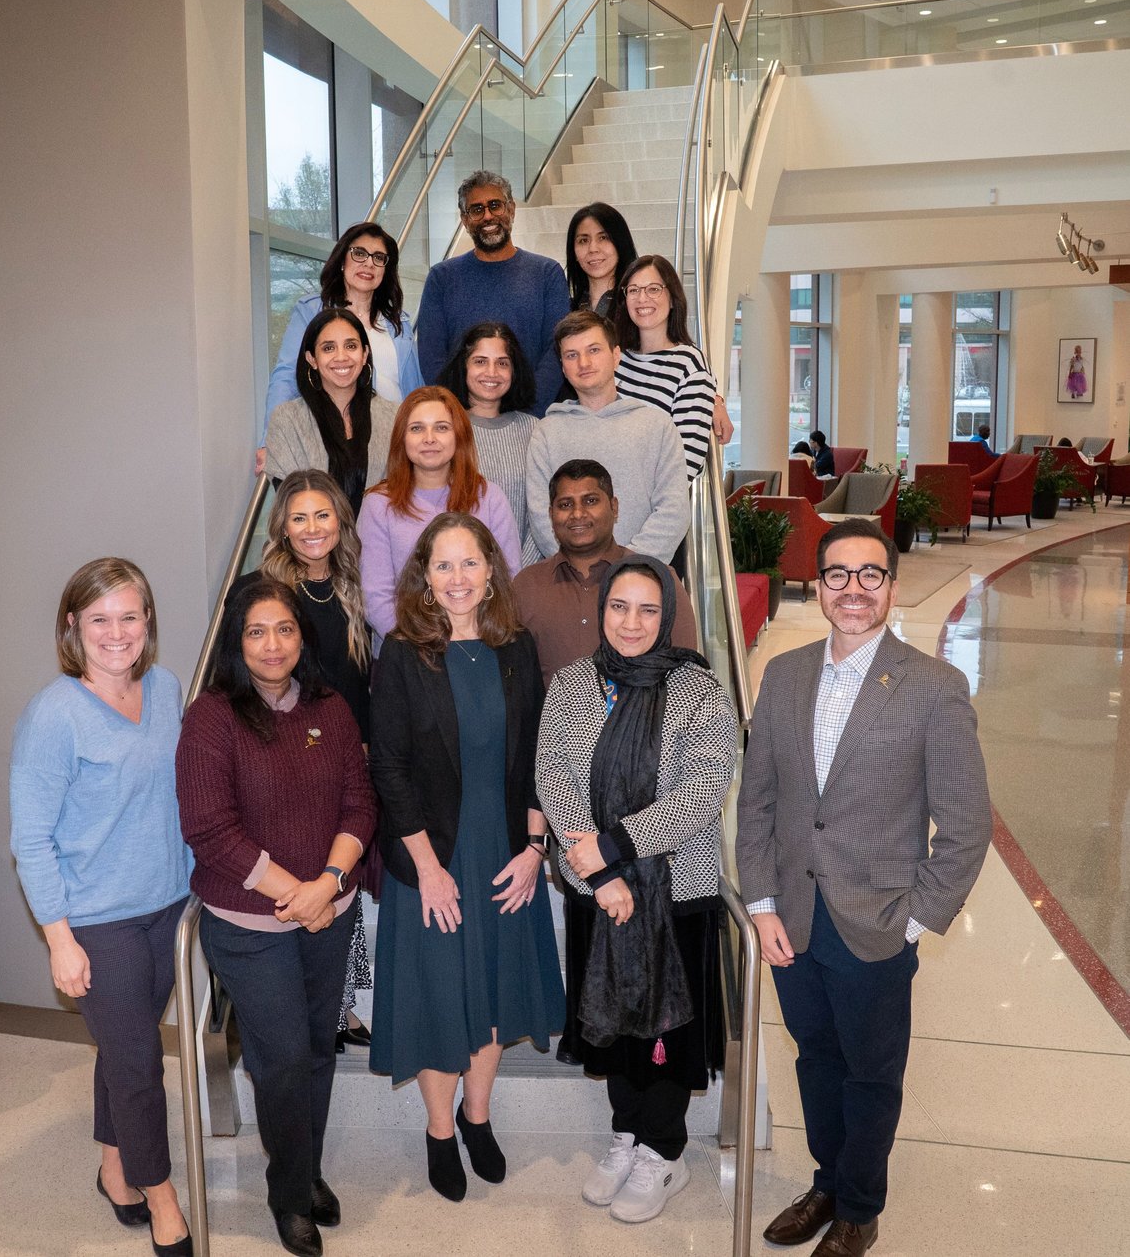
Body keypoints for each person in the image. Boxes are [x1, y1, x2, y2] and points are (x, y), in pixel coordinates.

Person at [736, 518, 992, 1257]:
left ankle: (859, 1205)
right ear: (816, 587)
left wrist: (915, 921)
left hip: (876, 926)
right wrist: (760, 904)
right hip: (792, 920)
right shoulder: (782, 676)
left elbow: (967, 827)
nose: (854, 590)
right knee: (815, 1059)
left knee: (872, 1073)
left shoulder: (934, 688)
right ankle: (826, 1181)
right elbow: (757, 804)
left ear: (892, 586)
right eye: (838, 576)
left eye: (869, 575)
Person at [177, 574, 377, 1257]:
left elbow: (360, 805)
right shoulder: (210, 717)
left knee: (319, 1049)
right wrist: (298, 891)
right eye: (256, 631)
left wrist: (328, 883)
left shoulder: (331, 707)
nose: (271, 644)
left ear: (302, 636)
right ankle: (289, 1196)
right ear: (237, 640)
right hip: (249, 924)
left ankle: (304, 1167)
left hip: (330, 910)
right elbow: (209, 828)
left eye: (284, 629)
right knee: (284, 1057)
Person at [368, 513, 565, 1202]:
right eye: (442, 566)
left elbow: (542, 755)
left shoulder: (516, 648)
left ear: (490, 573)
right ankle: (439, 1131)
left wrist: (536, 851)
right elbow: (388, 770)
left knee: (493, 993)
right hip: (434, 856)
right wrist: (427, 869)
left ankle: (477, 1119)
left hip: (505, 851)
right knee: (441, 998)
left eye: (469, 564)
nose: (457, 578)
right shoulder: (400, 654)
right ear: (425, 577)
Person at [536, 554, 737, 1225]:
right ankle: (627, 1135)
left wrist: (616, 848)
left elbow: (704, 791)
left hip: (674, 888)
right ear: (602, 613)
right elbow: (554, 774)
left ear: (668, 616)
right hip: (601, 892)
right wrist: (598, 872)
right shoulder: (571, 683)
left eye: (648, 609)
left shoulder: (700, 690)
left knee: (668, 1029)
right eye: (620, 607)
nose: (632, 621)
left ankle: (665, 1151)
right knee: (614, 1025)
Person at [10, 557, 192, 1257]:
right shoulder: (54, 715)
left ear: (147, 621)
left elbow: (179, 797)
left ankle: (114, 1168)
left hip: (167, 905)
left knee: (125, 1045)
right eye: (99, 619)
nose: (116, 632)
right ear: (72, 626)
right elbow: (31, 840)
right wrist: (59, 939)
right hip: (97, 917)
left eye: (129, 615)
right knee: (141, 1062)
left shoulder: (168, 688)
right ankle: (163, 1199)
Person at [260, 470, 375, 1050]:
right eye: (299, 517)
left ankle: (341, 1006)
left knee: (340, 873)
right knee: (306, 874)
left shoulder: (354, 583)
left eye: (322, 515)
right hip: (291, 753)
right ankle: (315, 1010)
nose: (311, 528)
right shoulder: (268, 591)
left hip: (348, 754)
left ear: (340, 521)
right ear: (282, 524)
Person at [357, 386, 521, 650]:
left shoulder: (489, 497)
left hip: (479, 647)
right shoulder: (378, 504)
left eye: (442, 428)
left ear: (460, 436)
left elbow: (508, 579)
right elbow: (375, 596)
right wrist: (422, 647)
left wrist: (466, 642)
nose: (429, 438)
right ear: (401, 438)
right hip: (404, 652)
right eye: (417, 428)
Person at [514, 459, 699, 685]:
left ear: (614, 507)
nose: (578, 513)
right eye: (565, 505)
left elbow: (686, 674)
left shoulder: (657, 580)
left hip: (643, 719)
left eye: (590, 501)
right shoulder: (526, 586)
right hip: (551, 720)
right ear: (551, 514)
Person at [257, 222, 422, 473]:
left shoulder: (399, 322)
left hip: (392, 442)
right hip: (331, 439)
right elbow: (286, 376)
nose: (368, 263)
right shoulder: (312, 311)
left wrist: (419, 433)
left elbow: (413, 389)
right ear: (342, 259)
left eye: (379, 258)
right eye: (359, 253)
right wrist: (270, 440)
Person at [526, 310, 688, 562]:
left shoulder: (657, 426)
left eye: (594, 350)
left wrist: (629, 569)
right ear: (563, 367)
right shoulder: (546, 432)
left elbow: (673, 511)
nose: (584, 363)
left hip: (641, 584)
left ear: (615, 356)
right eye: (572, 355)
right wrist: (582, 569)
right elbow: (541, 516)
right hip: (572, 584)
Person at [416, 170, 570, 416]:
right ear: (465, 220)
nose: (487, 216)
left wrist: (528, 414)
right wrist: (457, 414)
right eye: (476, 209)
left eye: (495, 205)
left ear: (511, 209)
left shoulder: (547, 273)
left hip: (529, 420)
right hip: (461, 422)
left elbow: (555, 352)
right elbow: (432, 357)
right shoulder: (441, 278)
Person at [263, 308, 396, 516]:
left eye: (351, 346)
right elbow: (291, 505)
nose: (341, 357)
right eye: (328, 348)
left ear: (364, 354)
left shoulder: (395, 417)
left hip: (377, 544)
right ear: (311, 359)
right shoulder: (287, 420)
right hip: (312, 543)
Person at [614, 254, 733, 476]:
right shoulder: (616, 359)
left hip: (652, 502)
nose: (642, 298)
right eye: (633, 290)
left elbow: (686, 463)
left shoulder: (690, 364)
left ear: (672, 298)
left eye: (653, 289)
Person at [438, 321, 540, 565]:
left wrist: (516, 574)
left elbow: (541, 514)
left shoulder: (534, 429)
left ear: (515, 370)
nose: (491, 372)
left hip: (519, 573)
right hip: (453, 575)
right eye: (480, 361)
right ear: (463, 366)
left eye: (502, 363)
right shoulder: (442, 428)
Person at [565, 201, 637, 317]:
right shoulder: (565, 309)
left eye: (603, 238)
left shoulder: (638, 304)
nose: (593, 249)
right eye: (583, 240)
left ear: (621, 244)